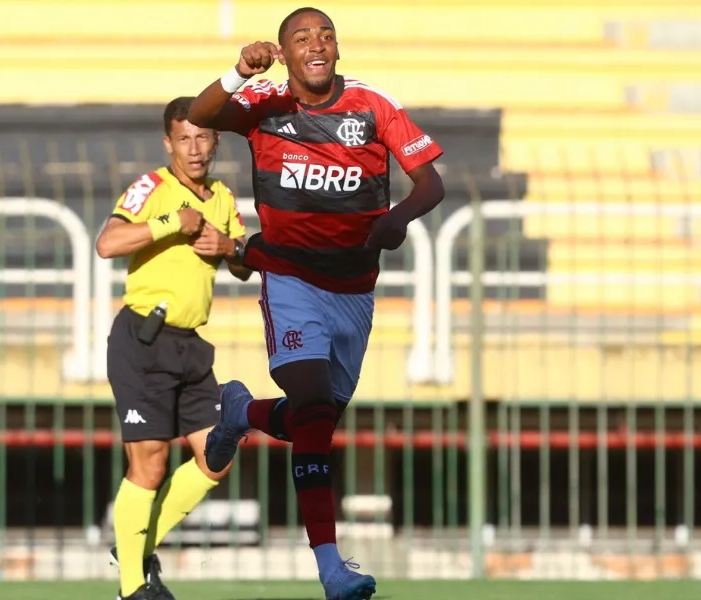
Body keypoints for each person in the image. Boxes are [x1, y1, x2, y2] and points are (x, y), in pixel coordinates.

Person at [187, 7, 445, 600]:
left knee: (313, 419)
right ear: (285, 52)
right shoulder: (267, 105)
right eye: (301, 37)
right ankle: (331, 568)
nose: (316, 43)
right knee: (309, 409)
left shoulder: (372, 105)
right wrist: (237, 72)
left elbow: (431, 182)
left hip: (354, 290)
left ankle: (240, 413)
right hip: (289, 278)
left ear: (338, 47)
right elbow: (202, 114)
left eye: (326, 34)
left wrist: (397, 220)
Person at [95, 96, 252, 600]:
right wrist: (169, 224)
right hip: (143, 339)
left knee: (217, 457)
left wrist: (230, 249)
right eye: (183, 138)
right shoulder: (153, 188)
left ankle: (135, 547)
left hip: (190, 345)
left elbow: (247, 264)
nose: (194, 148)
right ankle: (132, 589)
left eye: (202, 137)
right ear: (168, 143)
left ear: (216, 141)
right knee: (150, 462)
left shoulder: (224, 198)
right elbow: (108, 242)